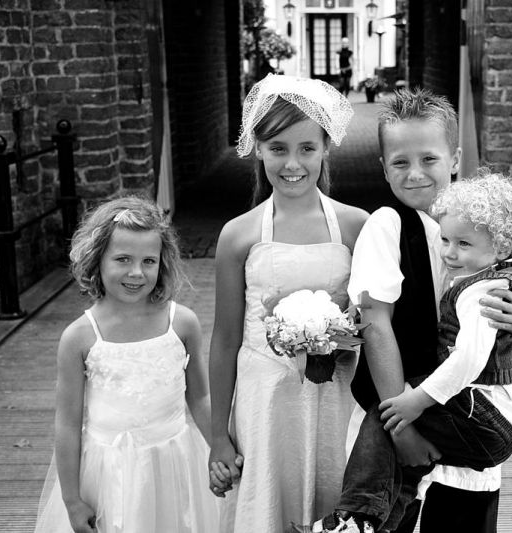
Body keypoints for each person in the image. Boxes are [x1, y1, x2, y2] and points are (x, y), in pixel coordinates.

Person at [313, 88, 512, 533]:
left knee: (459, 517)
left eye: (429, 159)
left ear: (455, 159)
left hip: (471, 412)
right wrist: (401, 428)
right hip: (405, 408)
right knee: (398, 514)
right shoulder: (387, 226)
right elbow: (376, 325)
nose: (415, 173)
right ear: (383, 168)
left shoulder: (486, 224)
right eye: (400, 162)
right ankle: (356, 519)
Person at [207, 74, 370, 532]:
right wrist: (218, 436)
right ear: (258, 149)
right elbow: (224, 340)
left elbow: (376, 323)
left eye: (306, 148)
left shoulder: (356, 226)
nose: (292, 163)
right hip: (265, 400)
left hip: (335, 396)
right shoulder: (238, 235)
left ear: (325, 149)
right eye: (278, 148)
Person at [33, 196, 220, 533]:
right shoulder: (79, 337)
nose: (136, 272)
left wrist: (220, 448)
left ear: (162, 263)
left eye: (149, 261)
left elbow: (200, 397)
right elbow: (67, 425)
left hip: (174, 463)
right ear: (97, 260)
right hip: (108, 472)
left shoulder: (182, 323)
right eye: (122, 259)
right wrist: (72, 500)